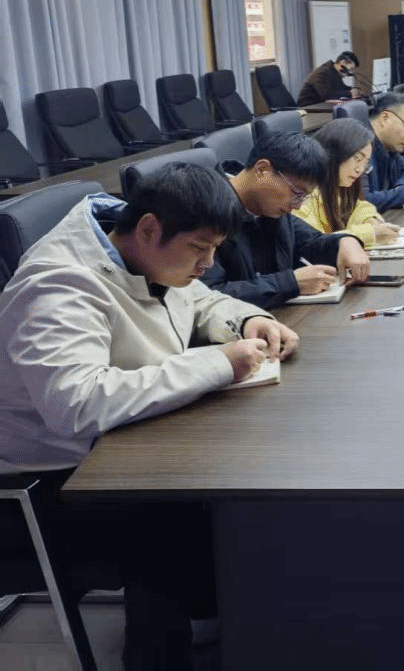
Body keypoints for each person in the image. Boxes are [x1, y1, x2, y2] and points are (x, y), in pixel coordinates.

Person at [0, 162, 296, 670]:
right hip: (49, 478)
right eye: (199, 248)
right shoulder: (58, 286)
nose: (208, 263)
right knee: (171, 511)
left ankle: (215, 613)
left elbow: (198, 298)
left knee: (238, 466)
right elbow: (77, 406)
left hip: (117, 442)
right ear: (149, 229)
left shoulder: (147, 253)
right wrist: (217, 363)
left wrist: (248, 318)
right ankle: (157, 654)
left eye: (215, 248)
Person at [202, 130, 370, 308]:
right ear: (262, 170)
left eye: (304, 197)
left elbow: (310, 242)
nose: (297, 206)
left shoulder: (270, 207)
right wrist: (290, 284)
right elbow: (207, 297)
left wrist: (345, 241)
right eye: (297, 193)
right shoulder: (205, 210)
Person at [295, 118, 401, 246]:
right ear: (334, 153)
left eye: (366, 163)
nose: (359, 169)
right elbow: (313, 242)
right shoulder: (302, 193)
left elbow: (356, 207)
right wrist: (369, 234)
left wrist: (370, 219)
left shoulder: (337, 184)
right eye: (357, 159)